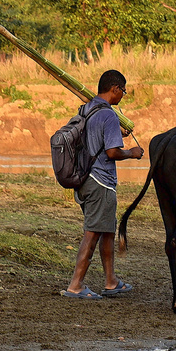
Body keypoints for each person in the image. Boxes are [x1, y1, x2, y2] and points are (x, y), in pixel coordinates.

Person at [63, 70, 144, 299]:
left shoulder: (87, 108)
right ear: (115, 89)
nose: (123, 96)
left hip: (85, 178)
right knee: (92, 233)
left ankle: (111, 281)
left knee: (107, 230)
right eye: (123, 91)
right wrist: (132, 152)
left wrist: (118, 133)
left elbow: (95, 137)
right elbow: (111, 152)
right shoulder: (108, 115)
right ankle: (76, 285)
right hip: (101, 181)